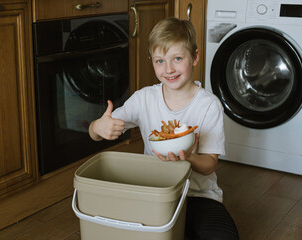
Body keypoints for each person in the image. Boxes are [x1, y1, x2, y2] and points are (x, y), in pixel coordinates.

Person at [88, 17, 239, 240]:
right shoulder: (144, 99)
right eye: (160, 61)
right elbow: (96, 133)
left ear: (195, 57)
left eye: (177, 58)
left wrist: (187, 157)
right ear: (151, 61)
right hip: (155, 193)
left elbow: (209, 165)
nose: (168, 69)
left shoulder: (208, 105)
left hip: (198, 195)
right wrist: (97, 127)